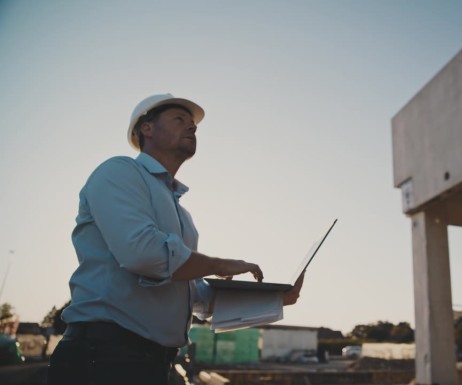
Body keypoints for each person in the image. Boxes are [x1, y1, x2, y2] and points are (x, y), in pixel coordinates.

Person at [47, 94, 304, 385]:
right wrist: (220, 264)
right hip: (103, 358)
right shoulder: (118, 172)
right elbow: (143, 253)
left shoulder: (182, 215)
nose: (192, 128)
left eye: (193, 124)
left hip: (151, 364)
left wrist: (274, 300)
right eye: (180, 120)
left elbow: (196, 298)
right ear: (147, 129)